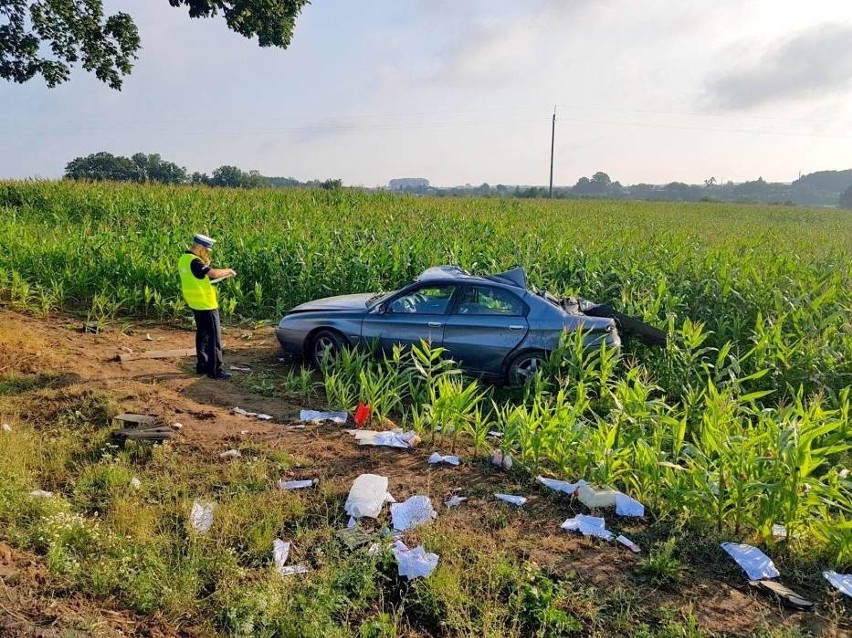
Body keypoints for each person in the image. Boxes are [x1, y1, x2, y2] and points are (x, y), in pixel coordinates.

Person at [178, 233, 237, 379]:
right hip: (206, 305)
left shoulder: (184, 259)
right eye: (206, 250)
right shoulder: (195, 262)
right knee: (214, 337)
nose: (207, 253)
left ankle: (202, 366)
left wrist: (206, 263)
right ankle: (215, 370)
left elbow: (197, 277)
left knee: (203, 335)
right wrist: (228, 271)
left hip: (195, 303)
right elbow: (213, 274)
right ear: (199, 247)